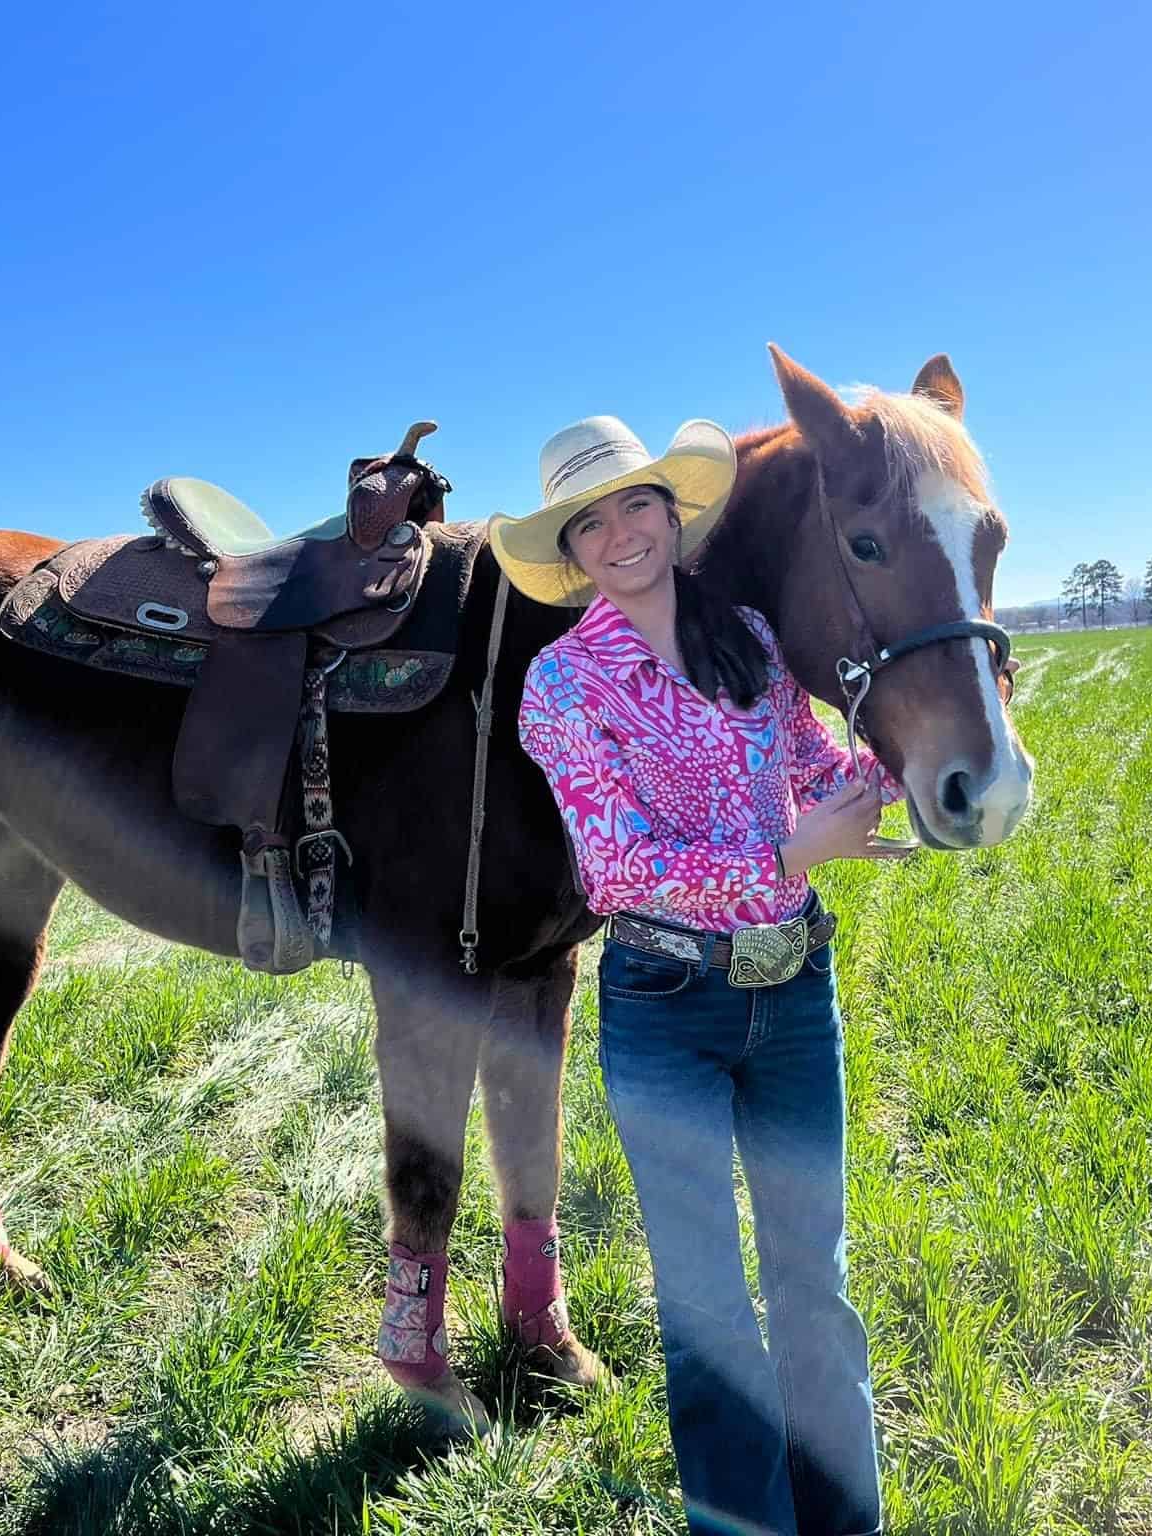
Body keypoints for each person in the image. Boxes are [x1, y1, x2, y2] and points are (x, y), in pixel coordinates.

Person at [490, 415, 908, 1536]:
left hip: (793, 994)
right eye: (591, 522)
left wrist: (921, 746)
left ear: (671, 515)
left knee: (813, 1281)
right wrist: (787, 855)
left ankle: (843, 1520)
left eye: (635, 505)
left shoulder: (751, 640)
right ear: (570, 552)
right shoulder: (560, 684)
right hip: (663, 1009)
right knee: (707, 1305)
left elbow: (819, 767)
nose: (621, 533)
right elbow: (615, 868)